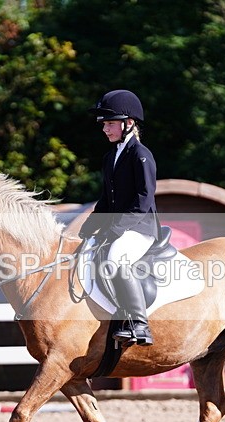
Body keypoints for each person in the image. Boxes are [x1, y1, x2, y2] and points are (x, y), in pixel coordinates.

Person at [78, 89, 160, 346]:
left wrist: (118, 228)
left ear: (129, 123)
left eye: (110, 123)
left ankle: (139, 322)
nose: (105, 129)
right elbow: (106, 200)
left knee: (117, 257)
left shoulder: (141, 154)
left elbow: (144, 198)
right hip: (120, 226)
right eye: (104, 124)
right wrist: (87, 227)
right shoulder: (110, 157)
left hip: (141, 227)